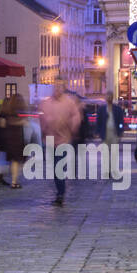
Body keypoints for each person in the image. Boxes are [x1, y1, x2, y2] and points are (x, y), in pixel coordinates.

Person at [39, 76, 83, 206]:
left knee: (59, 167)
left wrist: (72, 127)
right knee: (54, 168)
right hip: (51, 141)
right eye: (55, 86)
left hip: (63, 140)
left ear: (64, 88)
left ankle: (60, 194)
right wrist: (44, 131)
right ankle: (60, 191)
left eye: (60, 86)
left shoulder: (69, 102)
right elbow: (42, 119)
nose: (57, 88)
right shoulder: (46, 103)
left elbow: (76, 117)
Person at [0, 94, 28, 188]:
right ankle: (14, 181)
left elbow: (5, 123)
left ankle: (13, 180)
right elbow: (19, 122)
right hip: (17, 138)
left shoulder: (8, 111)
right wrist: (22, 122)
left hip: (10, 138)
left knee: (14, 161)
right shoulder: (20, 111)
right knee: (16, 161)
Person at [103, 97, 121, 178]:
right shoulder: (103, 109)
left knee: (114, 153)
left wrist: (120, 132)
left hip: (114, 133)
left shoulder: (117, 109)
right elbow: (99, 121)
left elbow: (120, 121)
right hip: (105, 133)